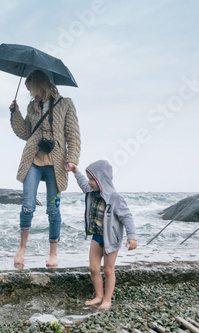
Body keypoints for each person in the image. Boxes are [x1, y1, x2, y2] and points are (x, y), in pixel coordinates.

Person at [9, 69, 81, 267]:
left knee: (53, 209)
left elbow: (73, 134)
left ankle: (53, 254)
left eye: (33, 90)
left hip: (56, 163)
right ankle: (22, 247)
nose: (32, 95)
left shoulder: (66, 104)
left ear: (42, 86)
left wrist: (72, 159)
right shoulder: (32, 106)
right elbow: (25, 133)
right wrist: (15, 114)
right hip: (33, 159)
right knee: (27, 206)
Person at [70, 160, 137, 310]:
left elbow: (127, 217)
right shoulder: (91, 192)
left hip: (111, 240)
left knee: (108, 270)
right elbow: (82, 183)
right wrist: (76, 171)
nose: (89, 182)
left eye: (92, 179)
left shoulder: (115, 198)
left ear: (102, 179)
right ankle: (99, 296)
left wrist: (131, 236)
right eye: (89, 179)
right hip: (97, 237)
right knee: (94, 268)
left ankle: (107, 299)